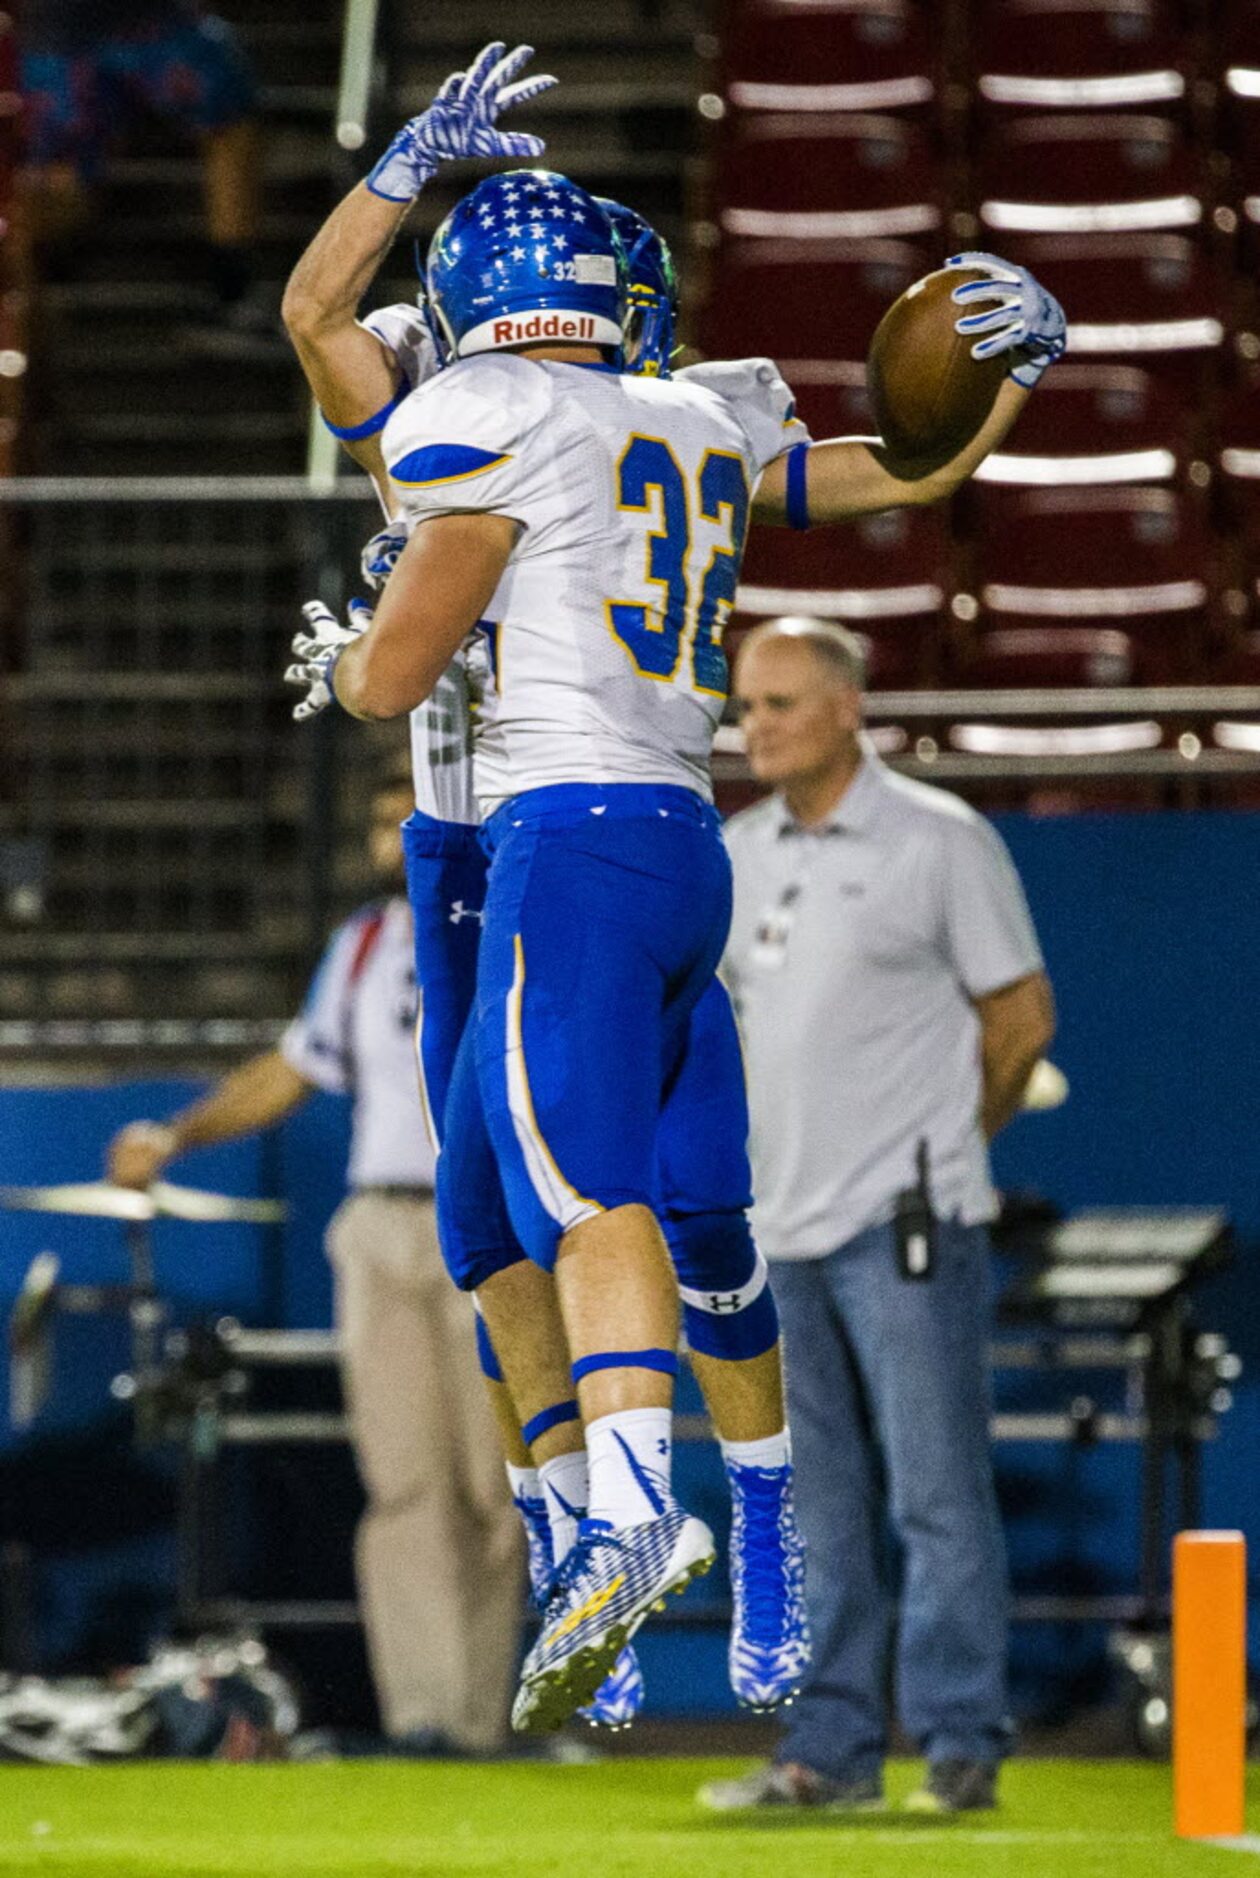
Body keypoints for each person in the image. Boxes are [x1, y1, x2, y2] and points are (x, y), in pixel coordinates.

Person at [279, 46, 814, 1733]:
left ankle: (656, 1507)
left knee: (615, 1189)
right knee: (489, 1216)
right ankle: (582, 1512)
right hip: (538, 831)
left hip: (558, 825)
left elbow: (327, 330)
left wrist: (380, 638)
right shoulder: (618, 411)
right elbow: (328, 332)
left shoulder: (516, 419)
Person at [699, 618, 1056, 1816]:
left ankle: (960, 1743)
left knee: (935, 1494)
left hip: (906, 1224)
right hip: (774, 1230)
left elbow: (1020, 1019)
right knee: (809, 1503)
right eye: (747, 707)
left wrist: (949, 1146)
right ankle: (829, 1749)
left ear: (850, 708)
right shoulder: (736, 851)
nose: (757, 728)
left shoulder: (940, 842)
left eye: (783, 704)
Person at [106, 762, 524, 1759]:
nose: (387, 838)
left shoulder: (514, 918)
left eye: (407, 817)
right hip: (379, 1225)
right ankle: (425, 1720)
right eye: (380, 819)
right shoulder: (366, 942)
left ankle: (487, 1719)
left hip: (499, 1220)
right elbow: (297, 1067)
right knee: (404, 1488)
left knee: (495, 1486)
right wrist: (180, 1133)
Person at [19, 1, 264, 325]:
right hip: (48, 41)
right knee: (46, 179)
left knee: (223, 83)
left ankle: (233, 280)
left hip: (148, 27)